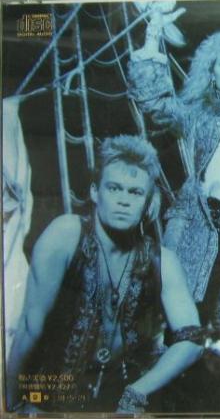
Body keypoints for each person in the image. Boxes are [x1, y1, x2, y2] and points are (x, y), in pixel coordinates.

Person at [6, 135, 203, 413]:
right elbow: (30, 327)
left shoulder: (163, 261)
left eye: (135, 192)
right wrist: (10, 403)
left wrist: (137, 391)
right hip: (52, 399)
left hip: (119, 402)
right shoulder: (66, 234)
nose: (123, 200)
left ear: (148, 203)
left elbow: (192, 340)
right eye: (114, 188)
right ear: (95, 192)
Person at [127, 13, 220, 340]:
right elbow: (154, 103)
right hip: (205, 233)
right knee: (190, 330)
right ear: (211, 73)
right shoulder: (198, 114)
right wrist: (153, 37)